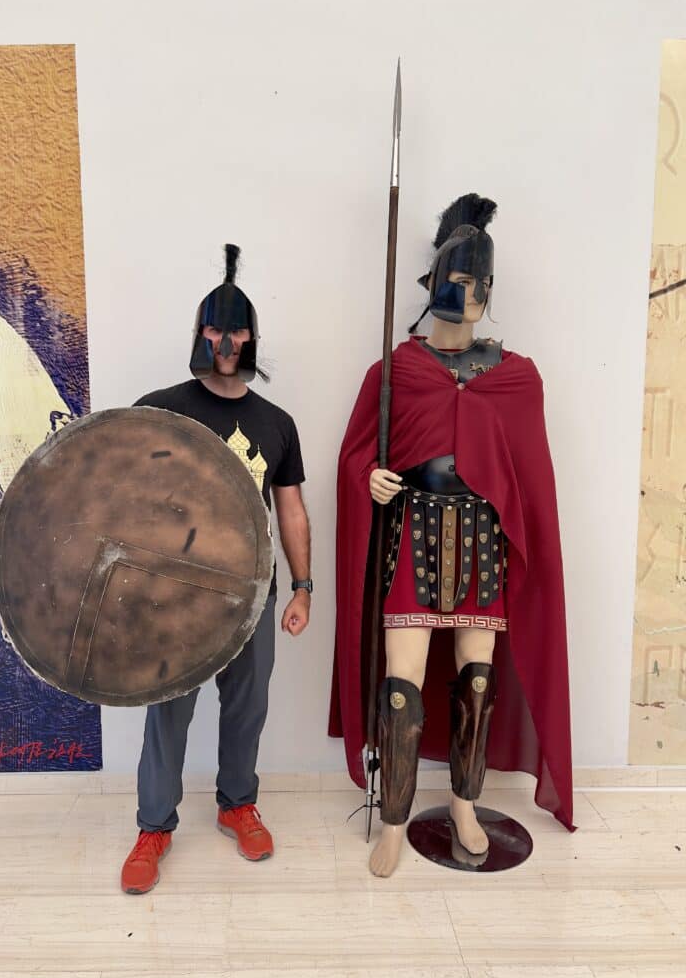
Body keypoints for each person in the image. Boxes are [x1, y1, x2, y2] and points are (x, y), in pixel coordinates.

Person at [330, 194, 573, 877]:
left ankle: (465, 807)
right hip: (413, 535)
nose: (463, 296)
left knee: (475, 682)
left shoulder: (515, 377)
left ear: (490, 293)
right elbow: (357, 456)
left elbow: (528, 478)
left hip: (484, 544)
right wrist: (369, 477)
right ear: (432, 286)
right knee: (401, 688)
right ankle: (395, 822)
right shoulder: (395, 373)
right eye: (453, 282)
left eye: (475, 286)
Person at [121, 244, 312, 894]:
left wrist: (304, 587)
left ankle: (237, 803)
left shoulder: (276, 423)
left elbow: (290, 511)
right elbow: (123, 500)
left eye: (236, 331)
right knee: (168, 711)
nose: (226, 341)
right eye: (215, 329)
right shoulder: (160, 407)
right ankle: (154, 826)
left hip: (253, 593)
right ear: (200, 333)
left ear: (252, 337)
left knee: (247, 706)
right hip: (177, 597)